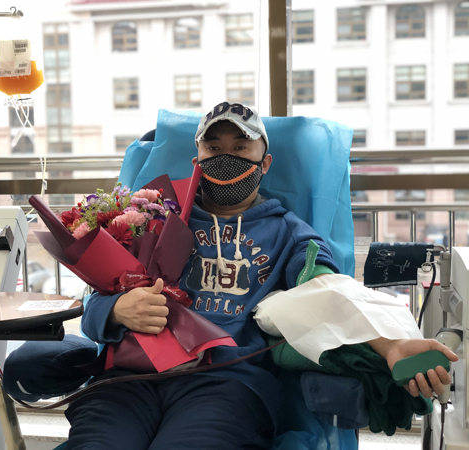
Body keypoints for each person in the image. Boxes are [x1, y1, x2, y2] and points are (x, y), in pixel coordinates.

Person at [65, 102, 457, 450]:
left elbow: (325, 291)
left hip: (225, 382)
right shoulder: (153, 218)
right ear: (196, 159)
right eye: (213, 148)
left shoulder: (289, 233)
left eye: (240, 148)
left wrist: (389, 345)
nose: (226, 157)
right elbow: (94, 302)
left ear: (264, 163)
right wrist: (116, 310)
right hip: (129, 380)